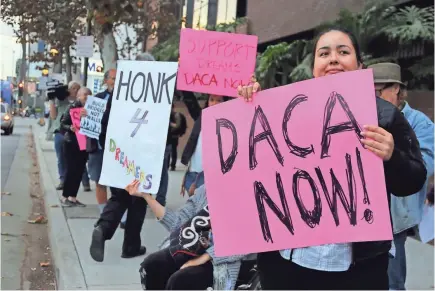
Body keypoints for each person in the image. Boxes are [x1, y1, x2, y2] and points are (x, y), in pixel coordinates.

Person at [239, 27, 427, 290]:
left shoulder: (384, 116)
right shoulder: (281, 111)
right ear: (314, 67)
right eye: (324, 53)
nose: (333, 59)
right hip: (286, 263)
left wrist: (392, 156)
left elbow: (413, 180)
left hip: (356, 268)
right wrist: (249, 104)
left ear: (360, 66)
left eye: (343, 52)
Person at [90, 52, 180, 261]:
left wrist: (109, 149)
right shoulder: (159, 93)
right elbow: (163, 128)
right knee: (139, 200)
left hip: (121, 153)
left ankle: (103, 229)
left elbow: (106, 123)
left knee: (120, 196)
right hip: (146, 155)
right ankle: (130, 246)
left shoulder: (119, 92)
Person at [369, 62, 435, 290]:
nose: (372, 97)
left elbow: (422, 169)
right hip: (366, 217)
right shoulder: (366, 116)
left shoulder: (419, 123)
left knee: (391, 282)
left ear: (395, 89)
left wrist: (392, 153)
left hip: (395, 219)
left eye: (377, 91)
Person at [124, 180, 246, 290]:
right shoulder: (205, 190)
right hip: (193, 246)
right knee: (152, 265)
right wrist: (147, 197)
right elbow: (178, 223)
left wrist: (202, 258)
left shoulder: (249, 190)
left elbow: (245, 240)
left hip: (223, 258)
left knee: (180, 280)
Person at [180, 92, 230, 196]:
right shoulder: (201, 117)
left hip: (212, 177)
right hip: (192, 174)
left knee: (206, 210)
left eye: (219, 100)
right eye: (211, 100)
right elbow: (189, 100)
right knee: (194, 210)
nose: (214, 103)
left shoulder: (229, 123)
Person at [85, 69, 116, 216]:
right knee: (99, 180)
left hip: (117, 147)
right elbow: (87, 121)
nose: (116, 81)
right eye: (113, 78)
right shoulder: (97, 99)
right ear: (106, 81)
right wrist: (84, 114)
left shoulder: (126, 99)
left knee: (117, 181)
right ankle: (103, 212)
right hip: (98, 146)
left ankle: (120, 213)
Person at [50, 81, 91, 192]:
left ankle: (85, 182)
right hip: (61, 132)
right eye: (72, 88)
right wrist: (52, 100)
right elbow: (54, 117)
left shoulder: (84, 103)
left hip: (80, 134)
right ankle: (63, 181)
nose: (75, 90)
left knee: (80, 160)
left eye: (77, 88)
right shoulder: (61, 100)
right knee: (62, 159)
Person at [59, 87, 91, 207]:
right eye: (84, 95)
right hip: (71, 142)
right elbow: (63, 123)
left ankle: (73, 197)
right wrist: (71, 127)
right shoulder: (72, 107)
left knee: (79, 170)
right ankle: (64, 196)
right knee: (71, 170)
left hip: (83, 143)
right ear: (78, 96)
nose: (87, 97)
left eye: (89, 95)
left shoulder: (91, 109)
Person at [167, 103, 187, 171]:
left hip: (174, 136)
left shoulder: (176, 115)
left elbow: (177, 125)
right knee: (168, 151)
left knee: (173, 150)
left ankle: (172, 165)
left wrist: (169, 124)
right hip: (170, 136)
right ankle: (167, 165)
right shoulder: (168, 115)